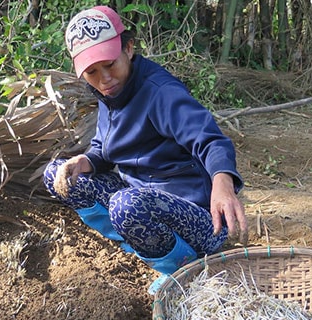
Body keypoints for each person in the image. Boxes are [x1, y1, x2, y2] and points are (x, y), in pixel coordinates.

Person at [43, 5, 247, 293]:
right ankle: (143, 243)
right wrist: (83, 161)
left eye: (110, 64)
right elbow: (105, 149)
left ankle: (182, 268)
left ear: (128, 48)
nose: (104, 79)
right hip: (142, 201)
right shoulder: (110, 93)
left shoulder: (160, 92)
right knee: (57, 174)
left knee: (126, 205)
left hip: (198, 219)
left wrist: (223, 183)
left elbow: (211, 139)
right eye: (92, 71)